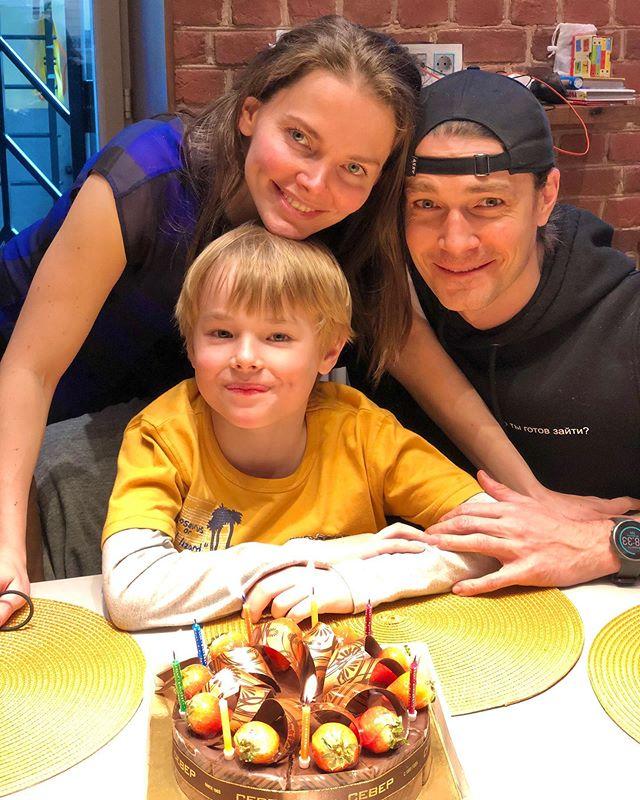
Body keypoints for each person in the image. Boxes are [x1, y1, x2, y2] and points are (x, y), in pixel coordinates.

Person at [0, 16, 422, 626]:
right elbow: (29, 367)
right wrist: (8, 544)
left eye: (355, 167)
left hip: (149, 405)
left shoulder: (350, 220)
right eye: (300, 138)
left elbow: (413, 351)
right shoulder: (148, 177)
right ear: (250, 113)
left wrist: (528, 494)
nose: (315, 183)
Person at [101, 223, 496, 630]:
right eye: (221, 333)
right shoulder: (162, 434)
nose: (245, 357)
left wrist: (355, 581)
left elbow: (494, 538)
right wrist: (314, 554)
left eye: (277, 336)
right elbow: (132, 591)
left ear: (329, 351)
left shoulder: (363, 433)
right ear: (191, 343)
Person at [356, 68, 640, 595]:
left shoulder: (627, 324)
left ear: (546, 195)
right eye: (425, 204)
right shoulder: (386, 313)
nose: (455, 242)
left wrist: (605, 544)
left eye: (489, 203)